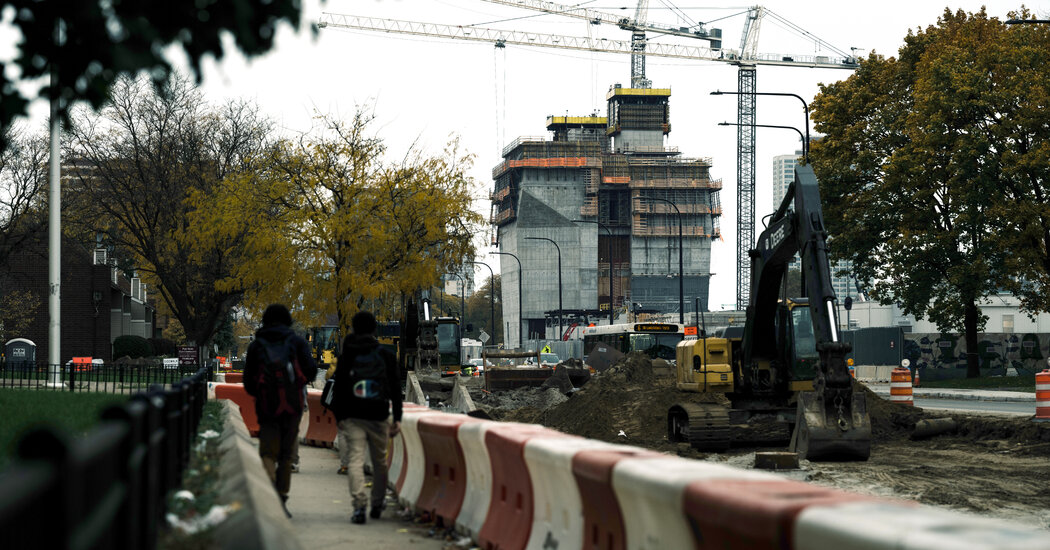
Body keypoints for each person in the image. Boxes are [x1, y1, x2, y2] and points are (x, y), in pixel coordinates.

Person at [243, 304, 318, 518]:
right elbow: (311, 371)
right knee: (286, 456)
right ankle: (281, 496)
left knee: (268, 452)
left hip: (267, 407)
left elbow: (248, 382)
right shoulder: (297, 342)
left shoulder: (257, 345)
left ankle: (268, 498)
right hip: (292, 406)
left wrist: (262, 393)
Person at [331, 310, 402, 524]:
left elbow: (338, 389)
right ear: (374, 329)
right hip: (379, 415)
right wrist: (397, 418)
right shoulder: (386, 356)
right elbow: (395, 389)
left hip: (353, 416)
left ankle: (359, 505)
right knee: (380, 461)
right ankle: (377, 503)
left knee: (355, 459)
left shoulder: (347, 356)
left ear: (354, 328)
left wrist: (340, 417)